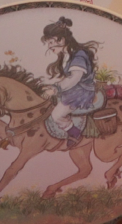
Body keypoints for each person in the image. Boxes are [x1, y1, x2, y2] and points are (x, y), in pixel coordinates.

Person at [40, 16, 102, 147]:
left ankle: (74, 132)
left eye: (51, 42)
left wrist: (56, 88)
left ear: (62, 40)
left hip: (81, 91)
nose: (49, 46)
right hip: (74, 89)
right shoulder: (67, 55)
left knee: (56, 115)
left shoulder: (79, 55)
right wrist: (53, 86)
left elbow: (74, 78)